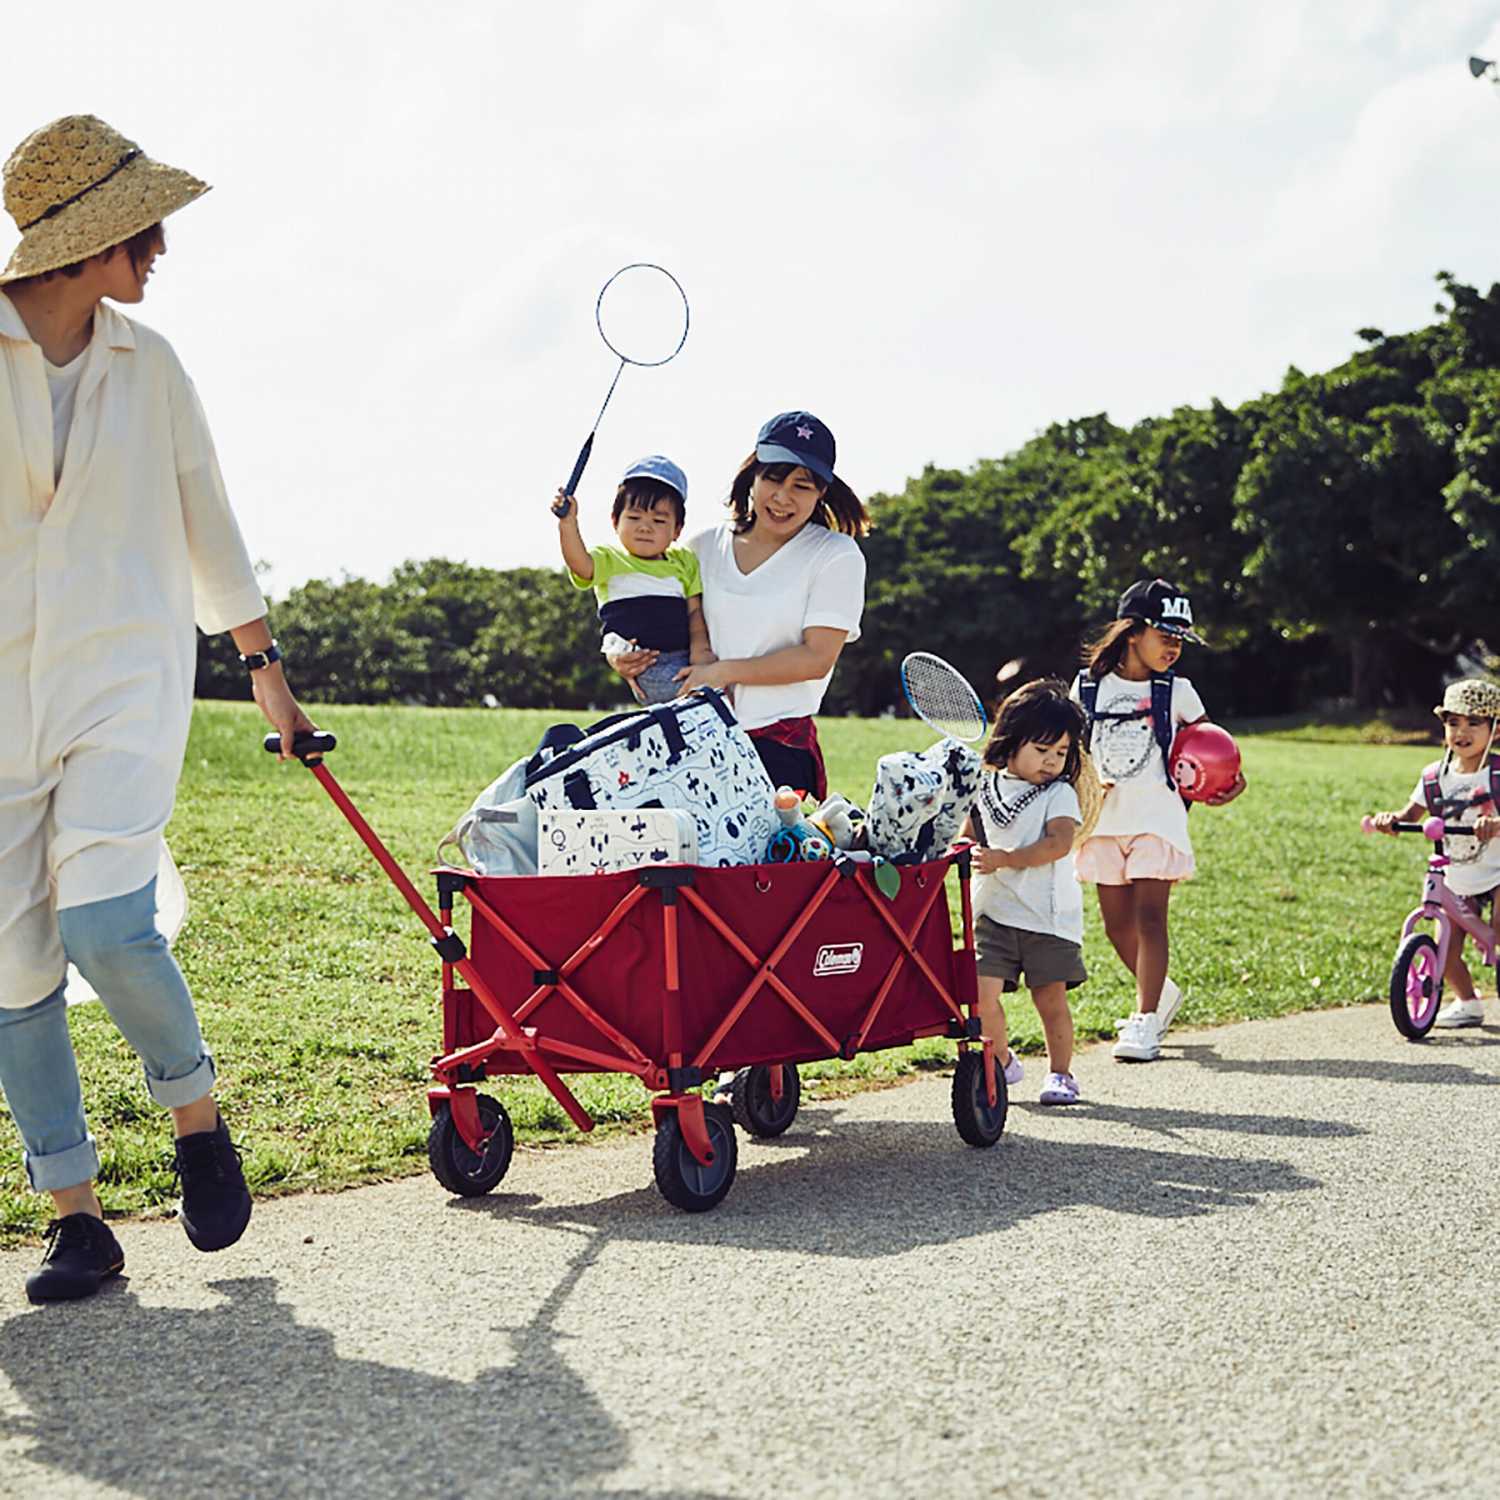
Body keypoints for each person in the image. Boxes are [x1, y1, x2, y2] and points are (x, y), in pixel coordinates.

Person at [0, 115, 316, 1303]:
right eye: (146, 227)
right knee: (14, 968)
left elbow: (208, 523)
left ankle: (197, 1118)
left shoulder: (155, 365)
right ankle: (75, 1217)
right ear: (89, 242)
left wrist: (265, 673)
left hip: (125, 683)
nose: (163, 247)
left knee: (103, 926)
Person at [611, 411, 868, 799]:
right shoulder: (701, 546)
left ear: (821, 494)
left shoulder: (836, 555)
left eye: (802, 485)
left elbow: (816, 658)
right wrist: (620, 655)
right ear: (753, 475)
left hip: (778, 751)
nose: (782, 498)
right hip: (690, 742)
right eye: (773, 478)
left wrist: (722, 673)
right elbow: (648, 617)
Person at [1071, 579, 1245, 1063]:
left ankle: (1146, 1019)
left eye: (1179, 638)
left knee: (1150, 918)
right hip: (1103, 823)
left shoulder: (1179, 692)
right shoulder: (1087, 687)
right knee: (1115, 926)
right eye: (1163, 634)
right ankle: (1164, 995)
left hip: (1157, 818)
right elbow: (1072, 754)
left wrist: (1228, 784)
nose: (1173, 646)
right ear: (1131, 632)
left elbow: (1211, 753)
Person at [962, 679, 1089, 1105]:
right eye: (1042, 750)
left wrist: (1005, 858)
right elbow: (965, 837)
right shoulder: (983, 788)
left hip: (1046, 917)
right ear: (1011, 743)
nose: (1052, 761)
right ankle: (1001, 1060)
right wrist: (956, 850)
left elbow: (1058, 844)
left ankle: (1061, 1074)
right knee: (981, 997)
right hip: (992, 913)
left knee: (1050, 999)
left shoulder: (1059, 793)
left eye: (1062, 753)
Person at [1368, 678, 1500, 1027]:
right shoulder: (1434, 776)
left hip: (1498, 869)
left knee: (1499, 927)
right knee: (1449, 947)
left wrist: (1495, 822)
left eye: (1474, 722)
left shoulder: (1497, 774)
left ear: (1495, 730)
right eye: (1453, 722)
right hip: (1457, 871)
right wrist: (1390, 821)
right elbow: (1409, 815)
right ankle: (1468, 1002)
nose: (1462, 731)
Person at [555, 456, 709, 705]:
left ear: (677, 530)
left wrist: (702, 655)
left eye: (658, 521)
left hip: (685, 656)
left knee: (716, 689)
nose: (645, 528)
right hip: (647, 664)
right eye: (634, 518)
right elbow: (580, 565)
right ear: (615, 521)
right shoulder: (610, 558)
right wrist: (568, 523)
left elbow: (694, 614)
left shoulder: (684, 561)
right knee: (698, 700)